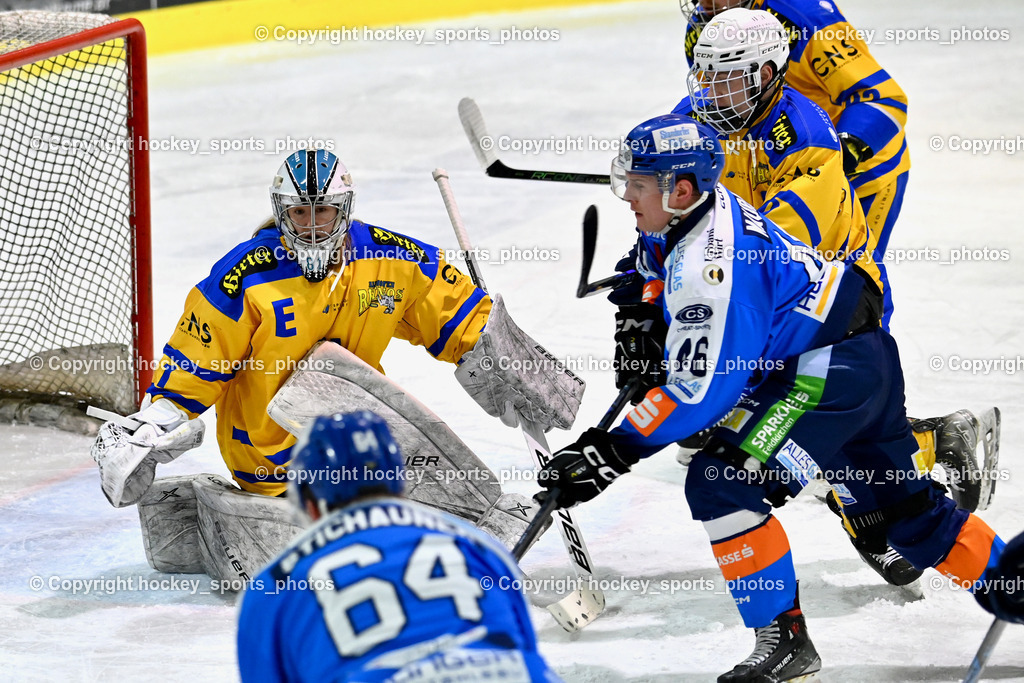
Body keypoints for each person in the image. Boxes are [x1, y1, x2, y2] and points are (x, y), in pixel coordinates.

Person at [539, 113, 1007, 682]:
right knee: (903, 513)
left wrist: (607, 453)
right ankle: (1016, 579)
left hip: (823, 371)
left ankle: (783, 640)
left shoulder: (712, 271)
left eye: (637, 185)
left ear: (678, 189)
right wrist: (641, 311)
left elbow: (701, 393)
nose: (627, 198)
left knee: (721, 480)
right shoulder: (689, 212)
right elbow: (649, 260)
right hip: (854, 356)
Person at [610, 7, 996, 586]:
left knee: (772, 419)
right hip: (766, 264)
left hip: (832, 265)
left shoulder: (806, 77)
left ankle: (899, 473)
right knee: (772, 431)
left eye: (728, 79)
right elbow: (675, 231)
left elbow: (749, 270)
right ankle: (897, 487)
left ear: (767, 73)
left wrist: (670, 375)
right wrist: (641, 306)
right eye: (704, 76)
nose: (710, 94)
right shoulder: (700, 110)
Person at [90, 148, 582, 581]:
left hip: (364, 451)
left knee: (336, 391)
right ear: (280, 212)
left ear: (344, 209)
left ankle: (469, 520)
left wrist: (499, 352)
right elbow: (198, 355)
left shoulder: (392, 258)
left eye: (321, 211)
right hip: (270, 459)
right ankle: (231, 518)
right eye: (298, 212)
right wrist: (154, 422)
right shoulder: (244, 277)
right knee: (325, 569)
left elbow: (454, 310)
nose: (310, 225)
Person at [236, 410, 561, 682]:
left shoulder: (273, 586)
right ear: (399, 481)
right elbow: (522, 649)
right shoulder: (478, 544)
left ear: (309, 501)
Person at [681, 0, 910, 328]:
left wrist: (838, 154)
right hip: (771, 164)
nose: (704, 4)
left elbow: (884, 98)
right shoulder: (705, 26)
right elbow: (721, 108)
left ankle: (871, 358)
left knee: (849, 275)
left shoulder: (806, 18)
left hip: (854, 167)